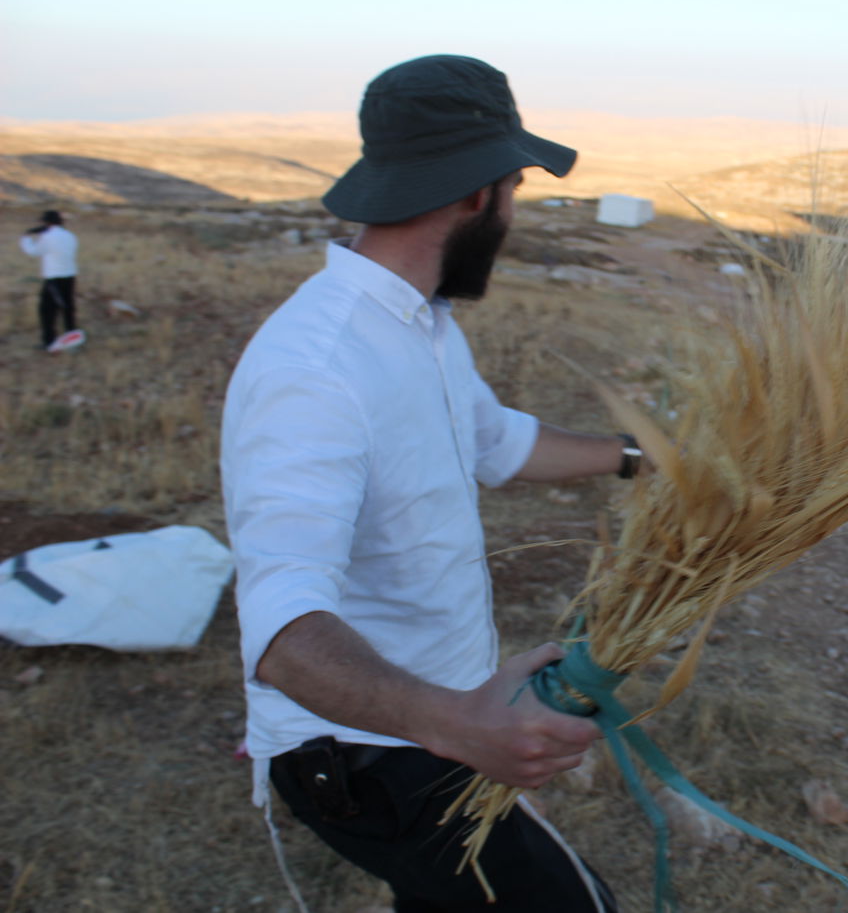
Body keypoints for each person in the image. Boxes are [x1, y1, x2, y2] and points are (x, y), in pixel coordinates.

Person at [220, 55, 641, 913]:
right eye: (515, 187)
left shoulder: (423, 324)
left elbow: (495, 442)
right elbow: (281, 627)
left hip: (437, 716)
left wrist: (642, 456)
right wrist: (456, 725)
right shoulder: (319, 366)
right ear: (478, 193)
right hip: (363, 749)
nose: (515, 214)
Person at [19, 210, 80, 350]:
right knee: (68, 307)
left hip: (54, 277)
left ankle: (50, 341)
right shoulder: (70, 236)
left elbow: (33, 251)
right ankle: (72, 337)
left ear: (47, 222)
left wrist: (26, 238)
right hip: (70, 275)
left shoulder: (48, 237)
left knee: (47, 310)